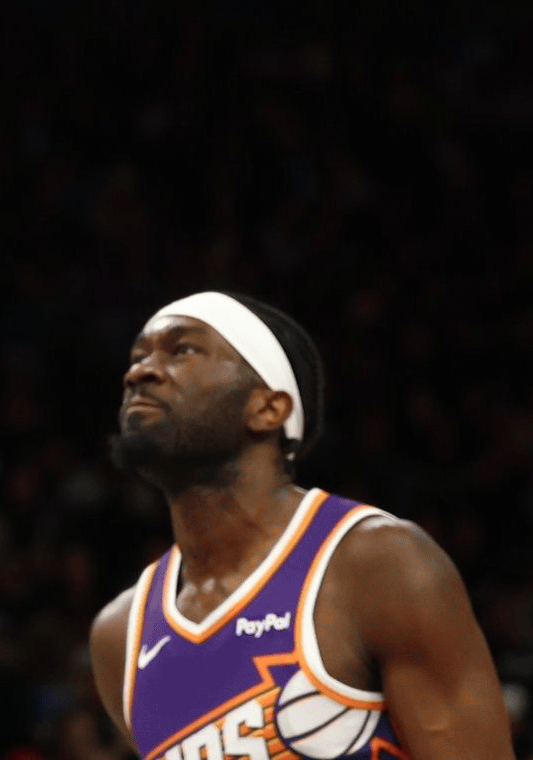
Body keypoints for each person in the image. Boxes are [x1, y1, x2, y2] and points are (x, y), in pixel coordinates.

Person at [88, 292, 510, 760]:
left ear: (268, 409)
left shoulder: (377, 564)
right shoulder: (119, 636)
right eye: (138, 356)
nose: (139, 372)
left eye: (182, 349)